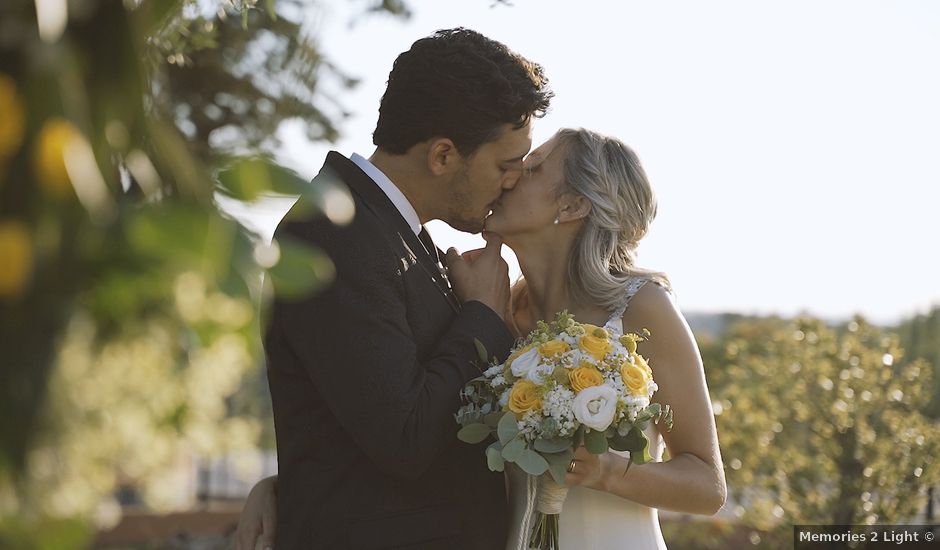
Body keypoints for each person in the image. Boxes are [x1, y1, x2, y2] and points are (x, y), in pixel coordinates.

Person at [239, 127, 727, 549]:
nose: (510, 176)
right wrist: (285, 486)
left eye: (532, 169)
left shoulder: (642, 309)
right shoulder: (494, 316)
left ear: (573, 204)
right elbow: (415, 424)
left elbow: (707, 484)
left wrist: (607, 474)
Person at [248, 28, 552, 550]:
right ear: (442, 156)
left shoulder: (396, 234)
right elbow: (405, 437)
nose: (514, 181)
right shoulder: (332, 235)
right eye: (506, 165)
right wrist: (479, 312)